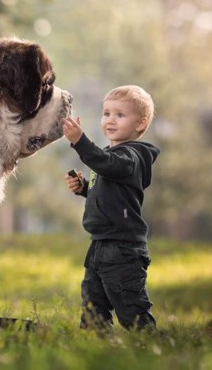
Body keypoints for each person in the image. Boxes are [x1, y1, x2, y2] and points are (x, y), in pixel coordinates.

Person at [63, 85, 160, 332]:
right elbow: (109, 190)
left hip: (123, 249)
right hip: (100, 245)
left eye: (120, 114)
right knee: (93, 306)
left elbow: (108, 165)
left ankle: (150, 348)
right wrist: (84, 188)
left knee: (131, 308)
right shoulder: (111, 156)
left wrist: (80, 142)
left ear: (140, 124)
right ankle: (98, 349)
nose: (110, 120)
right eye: (106, 113)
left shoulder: (133, 156)